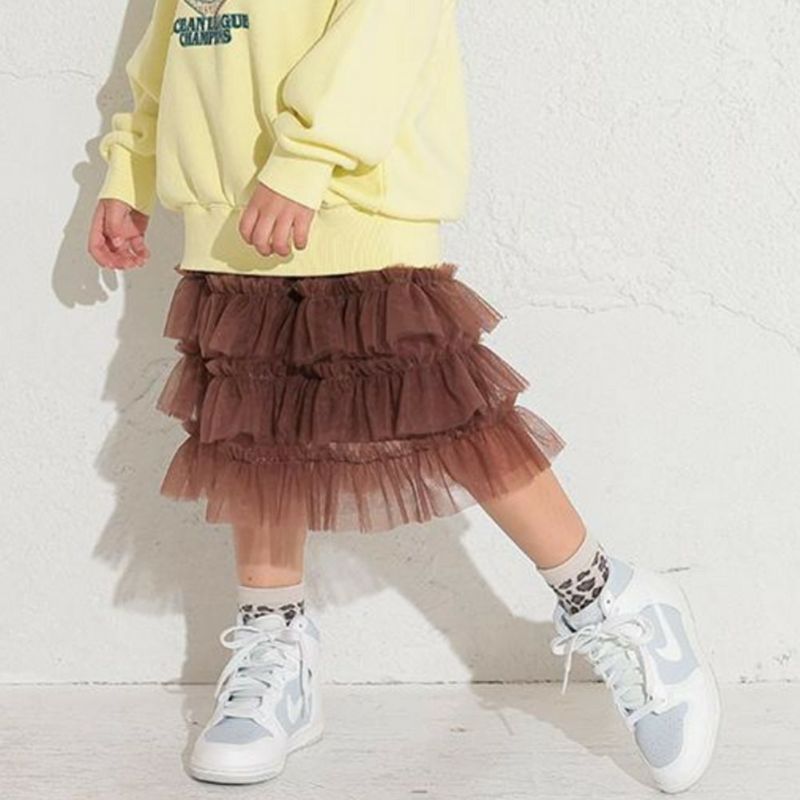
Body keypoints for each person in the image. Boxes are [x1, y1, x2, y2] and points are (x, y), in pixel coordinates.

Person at [88, 0, 720, 793]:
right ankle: (277, 647)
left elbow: (394, 19)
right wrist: (132, 167)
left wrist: (307, 158)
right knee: (255, 426)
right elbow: (168, 52)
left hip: (345, 191)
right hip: (230, 211)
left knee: (448, 409)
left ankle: (608, 597)